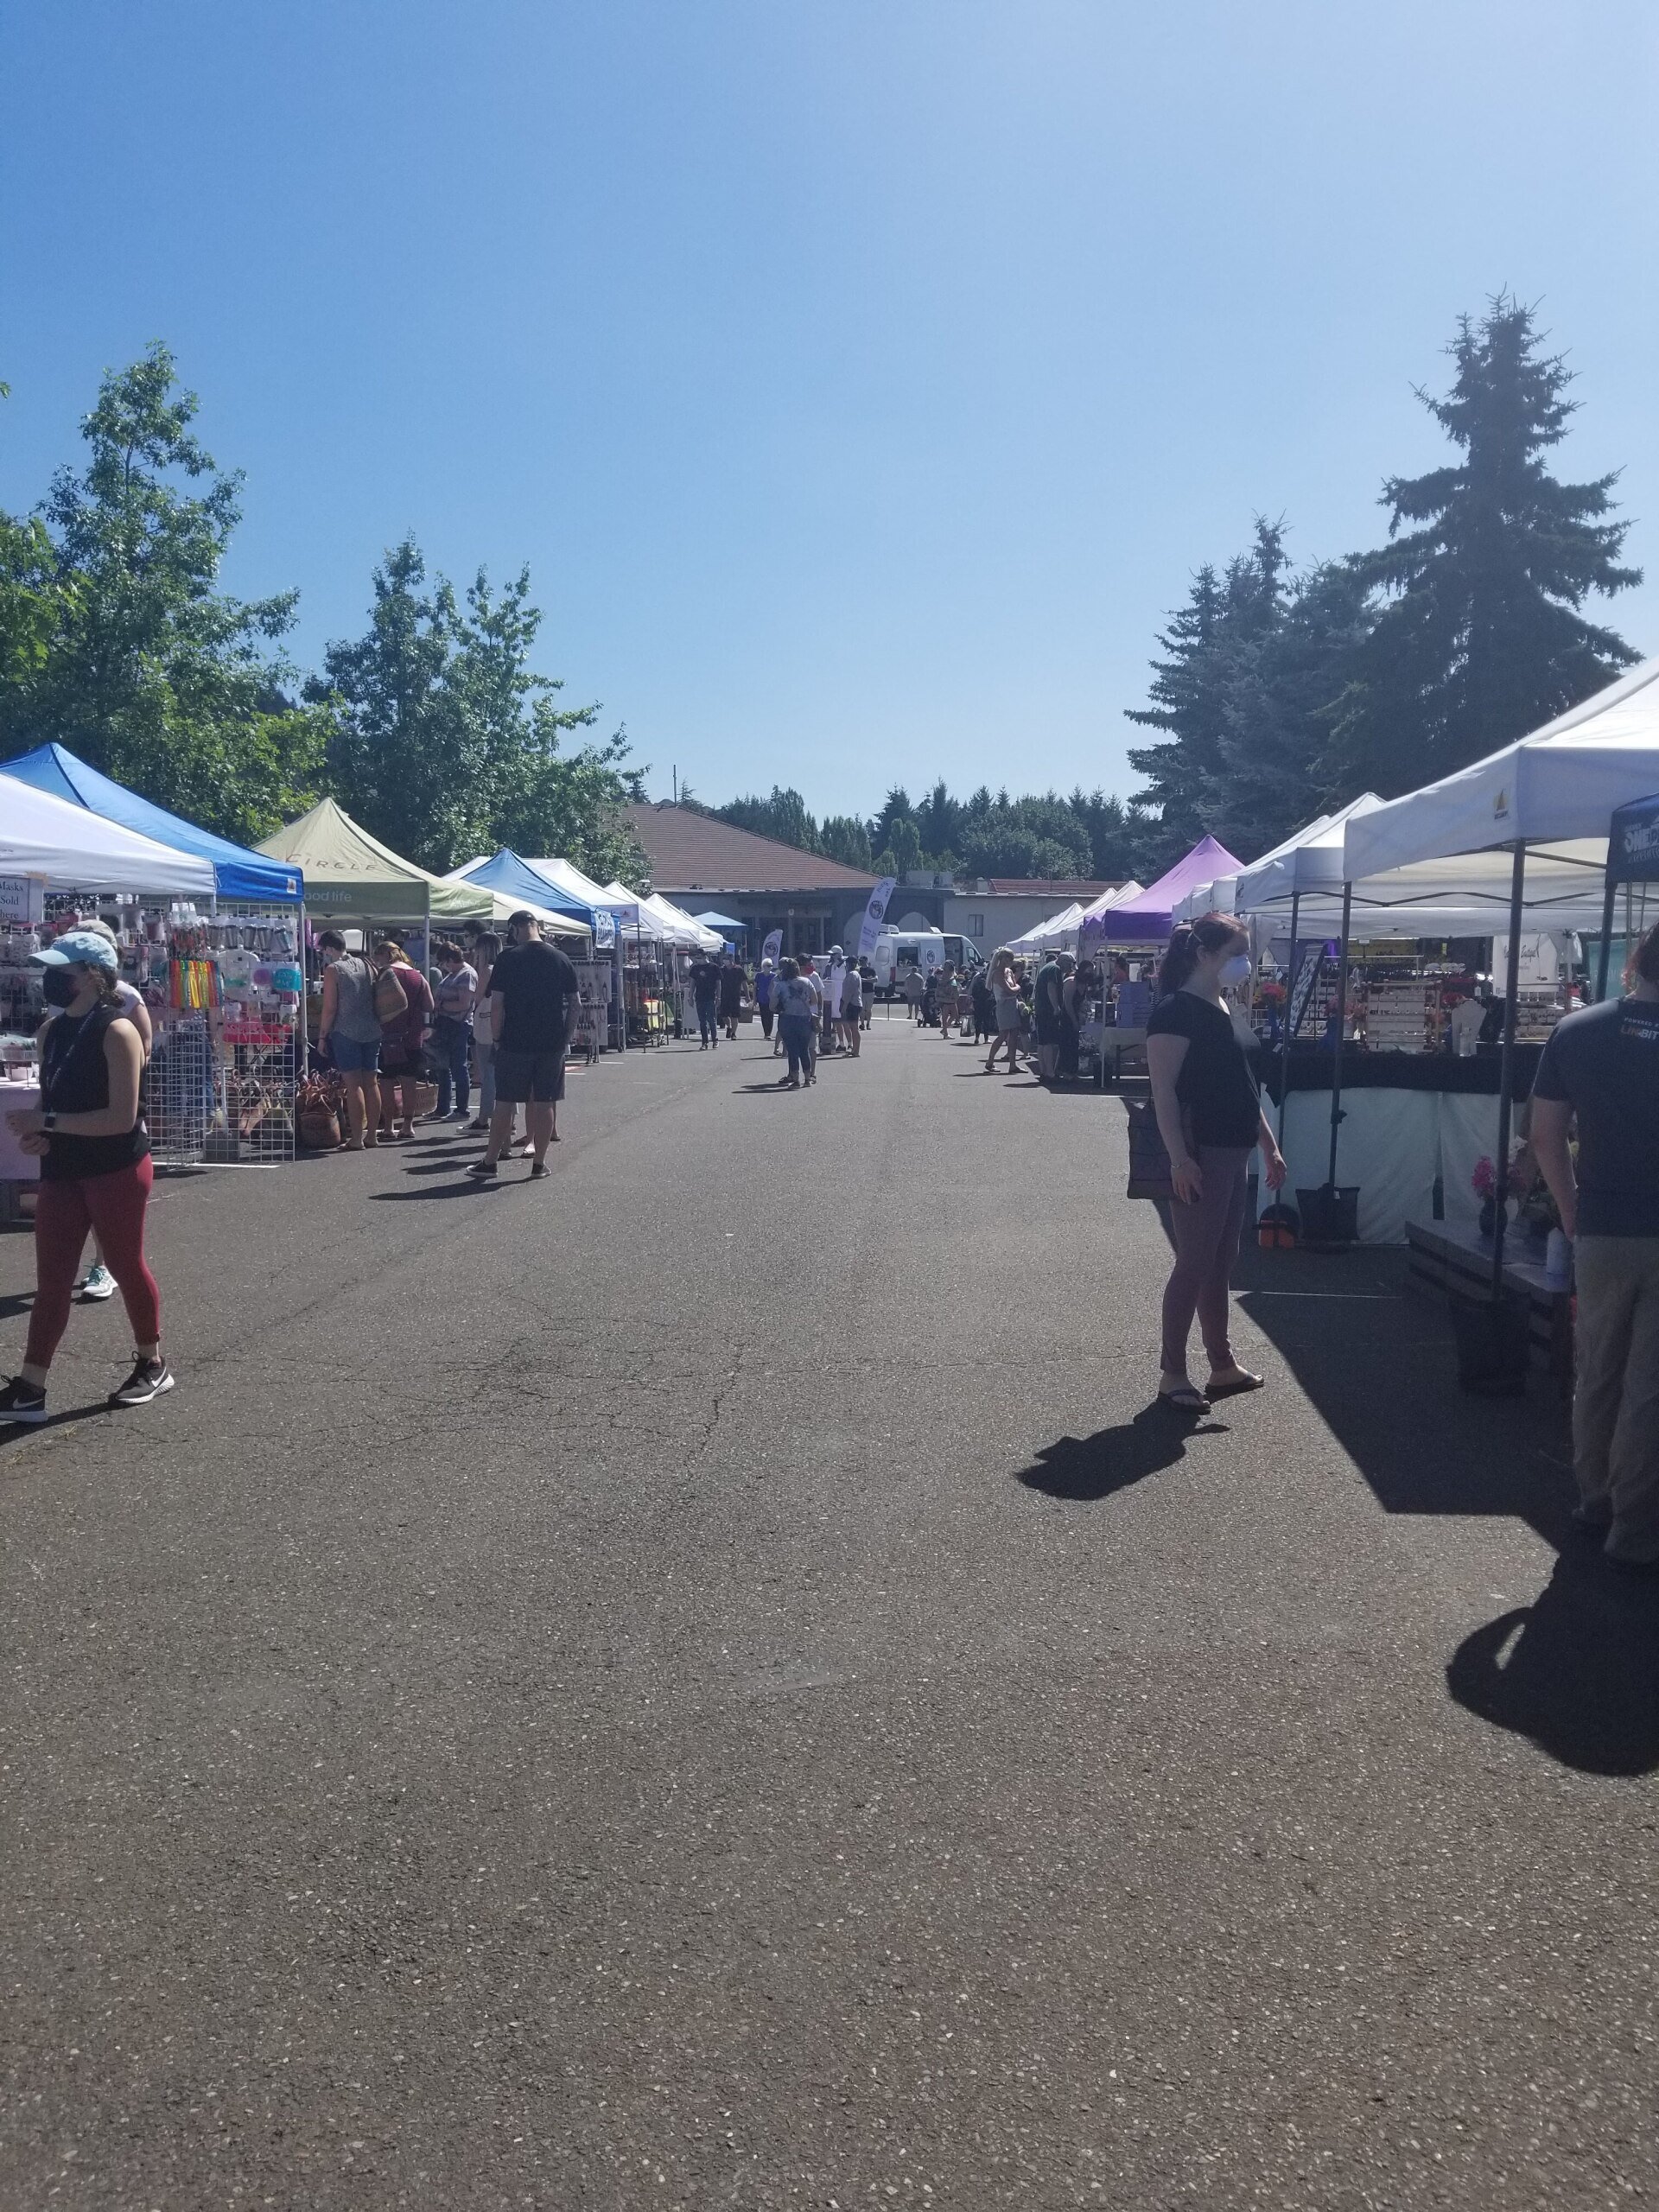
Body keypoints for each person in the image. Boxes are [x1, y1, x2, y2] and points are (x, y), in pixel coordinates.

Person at [1, 931, 173, 1421]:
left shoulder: (117, 1031)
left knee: (124, 1264)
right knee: (52, 1278)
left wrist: (47, 1124)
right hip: (63, 1168)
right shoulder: (50, 1032)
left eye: (63, 971)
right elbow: (48, 1100)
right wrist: (36, 1132)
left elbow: (121, 1118)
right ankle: (31, 1385)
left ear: (94, 976)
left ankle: (152, 1361)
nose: (51, 979)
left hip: (115, 1165)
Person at [1530, 918, 1659, 1567]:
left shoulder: (1578, 1030)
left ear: (1637, 960)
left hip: (1602, 1225)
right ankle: (1637, 1531)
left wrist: (1569, 1205)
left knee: (1598, 1369)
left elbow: (1545, 1132)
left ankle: (1594, 1497)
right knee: (1650, 1387)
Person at [1146, 912, 1287, 1414]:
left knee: (1220, 1261)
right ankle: (1173, 1373)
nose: (1245, 963)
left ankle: (1221, 1364)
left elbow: (1244, 1086)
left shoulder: (1221, 1005)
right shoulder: (1174, 1012)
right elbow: (1162, 1094)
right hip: (1201, 1152)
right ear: (1204, 955)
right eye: (1236, 953)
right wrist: (1180, 1159)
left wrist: (1268, 1143)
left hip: (1234, 1149)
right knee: (1194, 1263)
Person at [73, 918, 154, 1303]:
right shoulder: (65, 998)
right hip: (72, 1115)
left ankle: (103, 1265)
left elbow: (145, 1047)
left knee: (109, 1202)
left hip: (113, 1112)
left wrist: (116, 1073)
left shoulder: (127, 996)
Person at [468, 912, 579, 1179]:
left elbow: (496, 1005)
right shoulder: (561, 958)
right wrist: (566, 1037)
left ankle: (490, 1161)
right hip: (551, 1041)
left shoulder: (508, 958)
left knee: (505, 1101)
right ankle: (539, 1164)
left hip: (514, 1041)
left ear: (515, 929)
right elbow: (575, 1004)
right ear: (538, 927)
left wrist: (496, 1039)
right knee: (545, 1101)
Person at [315, 929, 385, 1149]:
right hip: (372, 1028)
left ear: (328, 948)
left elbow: (330, 1008)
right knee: (371, 1082)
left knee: (354, 1085)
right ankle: (372, 1135)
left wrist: (322, 1036)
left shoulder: (333, 970)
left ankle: (356, 1138)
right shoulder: (366, 964)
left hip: (346, 1031)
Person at [374, 939, 434, 1142]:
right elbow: (429, 1005)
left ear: (385, 955)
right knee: (409, 1082)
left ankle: (389, 1126)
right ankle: (408, 1125)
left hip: (387, 1036)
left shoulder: (384, 974)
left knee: (387, 1083)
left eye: (378, 957)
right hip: (412, 1036)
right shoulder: (417, 975)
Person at [430, 940, 478, 1122]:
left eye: (443, 962)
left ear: (450, 959)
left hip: (458, 1024)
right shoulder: (453, 975)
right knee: (442, 1066)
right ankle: (442, 1107)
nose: (443, 966)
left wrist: (440, 1005)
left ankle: (462, 1109)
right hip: (445, 1023)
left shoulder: (466, 975)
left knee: (459, 1066)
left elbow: (464, 1003)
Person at [774, 957, 817, 1088]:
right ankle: (808, 1078)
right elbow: (815, 1000)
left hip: (788, 1018)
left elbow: (772, 1005)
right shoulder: (807, 982)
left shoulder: (781, 985)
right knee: (804, 1049)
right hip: (804, 1019)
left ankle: (795, 1078)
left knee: (792, 1050)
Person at [986, 948, 1022, 1073]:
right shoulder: (997, 973)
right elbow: (1010, 990)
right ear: (1003, 959)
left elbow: (1014, 987)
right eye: (1010, 958)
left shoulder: (1009, 972)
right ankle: (990, 1061)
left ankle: (1013, 1064)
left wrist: (1016, 988)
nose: (1012, 961)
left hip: (1012, 1004)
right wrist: (1017, 988)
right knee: (1003, 1035)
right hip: (1003, 1005)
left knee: (1014, 1035)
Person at [1033, 952, 1066, 1080]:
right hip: (1048, 1010)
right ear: (1064, 962)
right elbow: (1051, 987)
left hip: (1041, 1009)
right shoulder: (1055, 969)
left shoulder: (1047, 967)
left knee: (1042, 1042)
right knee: (1049, 1042)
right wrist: (1056, 1007)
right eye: (1069, 965)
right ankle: (1050, 1072)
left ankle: (1043, 1070)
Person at [690, 952, 721, 1049]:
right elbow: (692, 983)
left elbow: (718, 983)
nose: (697, 960)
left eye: (699, 958)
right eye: (696, 958)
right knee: (702, 1021)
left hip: (711, 996)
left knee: (711, 1019)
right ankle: (704, 1042)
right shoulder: (695, 968)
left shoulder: (714, 967)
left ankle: (715, 1039)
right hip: (699, 997)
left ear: (704, 957)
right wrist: (690, 997)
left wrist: (718, 997)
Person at [839, 956, 863, 1055]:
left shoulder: (852, 974)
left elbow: (850, 992)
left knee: (854, 1027)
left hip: (852, 1004)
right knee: (852, 1027)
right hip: (851, 1003)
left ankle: (856, 1050)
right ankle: (854, 1049)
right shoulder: (852, 974)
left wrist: (845, 1005)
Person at [719, 952, 744, 1041]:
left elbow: (744, 982)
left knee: (735, 1016)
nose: (724, 961)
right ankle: (729, 1027)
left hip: (735, 995)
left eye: (726, 958)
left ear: (731, 959)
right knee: (724, 1015)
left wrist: (747, 995)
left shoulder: (738, 969)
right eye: (724, 959)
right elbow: (717, 983)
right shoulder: (721, 970)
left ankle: (733, 1033)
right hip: (724, 995)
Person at [755, 958, 777, 1043]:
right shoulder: (759, 975)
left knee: (770, 1016)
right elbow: (755, 987)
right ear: (763, 966)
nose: (770, 967)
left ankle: (769, 1033)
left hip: (771, 999)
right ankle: (765, 1032)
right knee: (763, 1016)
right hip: (761, 998)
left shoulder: (774, 976)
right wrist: (754, 999)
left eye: (771, 966)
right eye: (768, 966)